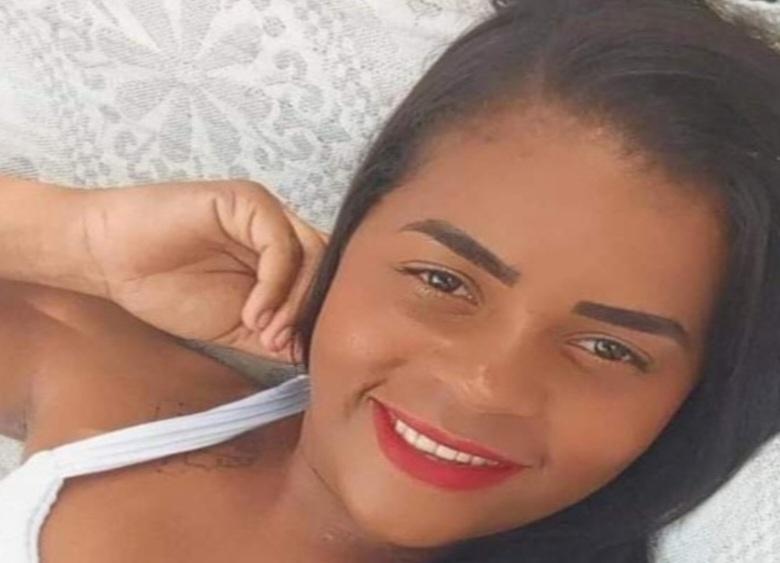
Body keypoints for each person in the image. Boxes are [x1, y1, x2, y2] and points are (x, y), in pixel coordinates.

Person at [1, 0, 779, 561]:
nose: (485, 384)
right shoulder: (129, 403)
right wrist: (81, 240)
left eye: (609, 347)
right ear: (349, 233)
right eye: (443, 279)